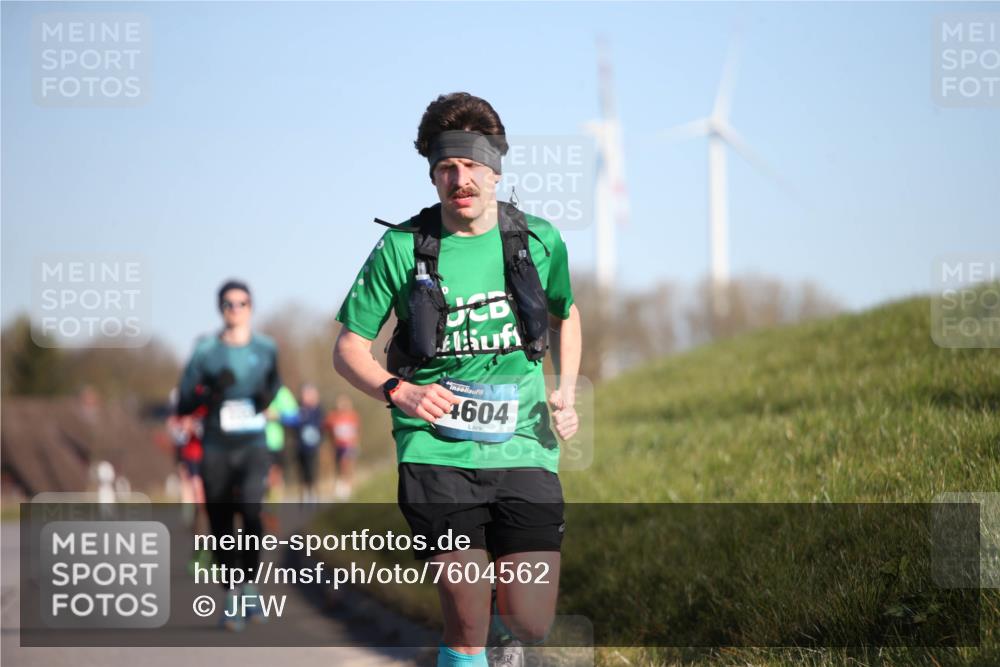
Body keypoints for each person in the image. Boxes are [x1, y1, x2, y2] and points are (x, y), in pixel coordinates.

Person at [332, 92, 581, 667]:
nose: (459, 178)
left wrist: (566, 388)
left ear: (495, 168)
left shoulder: (540, 241)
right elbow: (348, 349)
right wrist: (400, 391)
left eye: (470, 165)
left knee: (531, 617)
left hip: (523, 445)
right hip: (434, 451)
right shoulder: (401, 248)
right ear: (433, 174)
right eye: (446, 167)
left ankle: (507, 633)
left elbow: (567, 314)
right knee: (465, 614)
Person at [176, 279, 281, 632]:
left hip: (252, 446)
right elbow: (184, 401)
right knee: (221, 524)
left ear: (251, 307)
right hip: (217, 447)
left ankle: (250, 584)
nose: (235, 310)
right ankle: (232, 593)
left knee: (251, 515)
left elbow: (275, 384)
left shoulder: (267, 347)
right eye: (228, 304)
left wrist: (266, 396)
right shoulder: (206, 350)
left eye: (241, 303)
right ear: (220, 309)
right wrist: (208, 392)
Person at [287, 383, 325, 503]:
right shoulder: (297, 410)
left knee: (312, 472)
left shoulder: (318, 410)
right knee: (302, 473)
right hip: (300, 447)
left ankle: (313, 496)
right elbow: (292, 425)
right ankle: (304, 497)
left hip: (313, 448)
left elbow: (322, 428)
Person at [264, 385, 298, 501]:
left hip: (274, 443)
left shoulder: (280, 391)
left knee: (274, 478)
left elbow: (295, 417)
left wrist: (278, 415)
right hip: (247, 445)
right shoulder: (245, 384)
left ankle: (272, 512)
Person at [324, 394, 360, 500]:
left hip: (350, 445)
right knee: (339, 466)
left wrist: (356, 443)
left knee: (349, 465)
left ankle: (349, 487)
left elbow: (357, 431)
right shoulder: (333, 416)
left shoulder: (353, 416)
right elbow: (328, 429)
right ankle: (340, 486)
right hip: (338, 445)